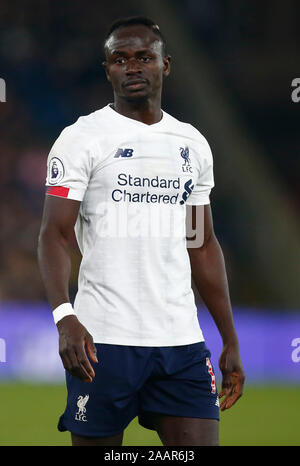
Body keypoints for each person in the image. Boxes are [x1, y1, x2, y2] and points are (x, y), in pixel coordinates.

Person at [38, 16, 245, 447]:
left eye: (143, 57)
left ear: (165, 65)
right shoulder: (82, 138)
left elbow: (201, 243)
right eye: (120, 59)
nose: (132, 67)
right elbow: (54, 235)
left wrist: (229, 337)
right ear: (108, 69)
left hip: (181, 343)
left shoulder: (191, 145)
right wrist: (65, 317)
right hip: (103, 342)